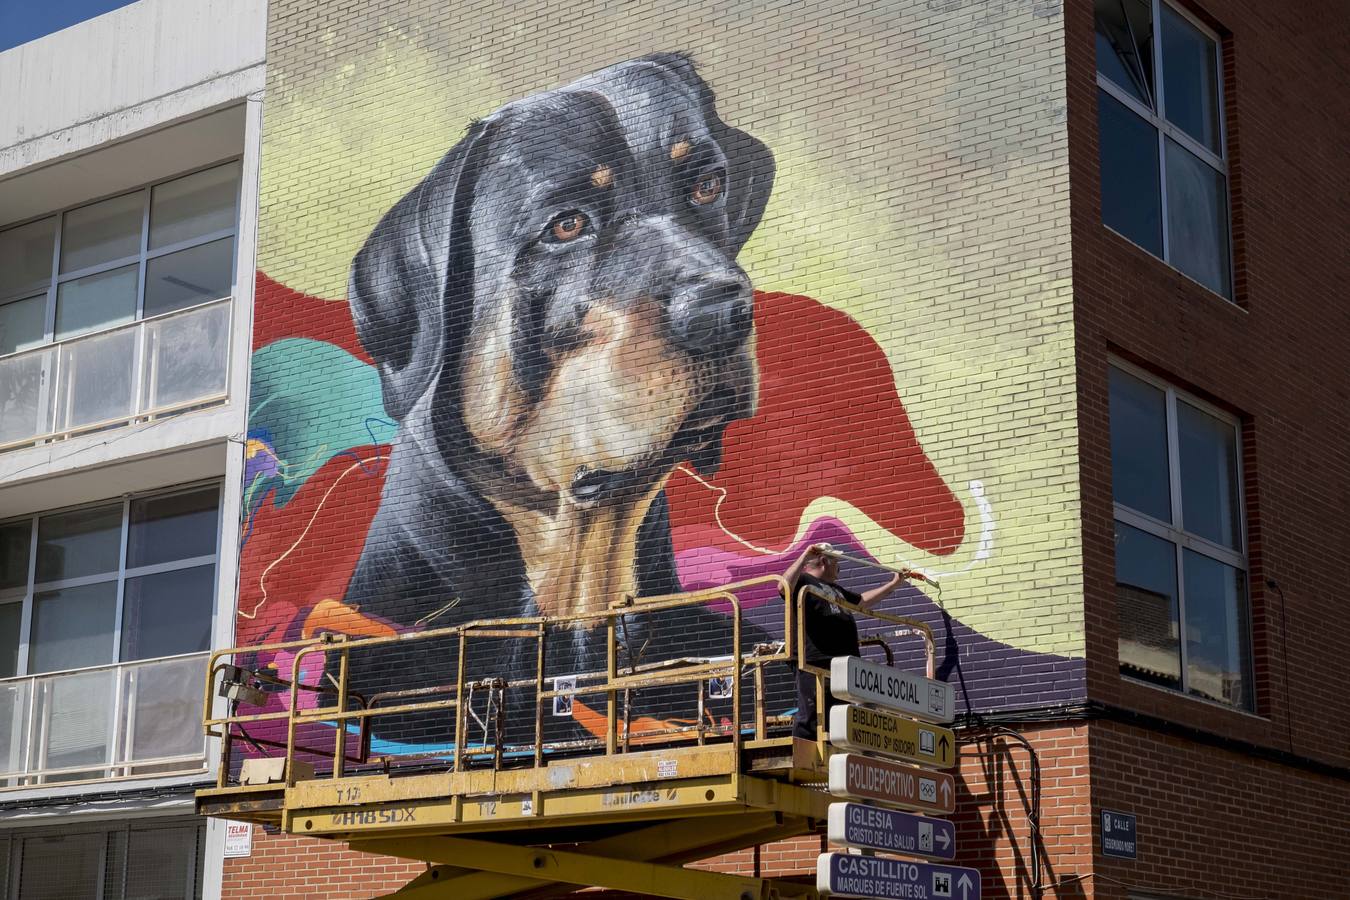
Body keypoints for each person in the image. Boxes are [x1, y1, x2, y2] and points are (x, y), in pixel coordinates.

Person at [781, 544, 903, 739]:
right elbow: (783, 586)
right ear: (824, 561)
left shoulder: (835, 589)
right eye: (836, 562)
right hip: (815, 661)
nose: (839, 568)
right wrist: (804, 557)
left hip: (841, 664)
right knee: (813, 712)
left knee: (838, 712)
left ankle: (833, 749)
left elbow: (862, 601)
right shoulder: (804, 581)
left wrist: (894, 584)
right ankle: (803, 752)